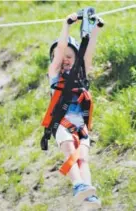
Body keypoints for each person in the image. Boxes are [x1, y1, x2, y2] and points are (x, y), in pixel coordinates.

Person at [48, 12, 102, 209]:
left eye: (70, 57)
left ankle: (88, 193)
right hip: (61, 121)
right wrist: (66, 25)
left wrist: (95, 29)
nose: (65, 60)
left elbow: (88, 53)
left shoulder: (81, 74)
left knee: (83, 159)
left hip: (80, 124)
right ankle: (78, 185)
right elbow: (61, 49)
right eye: (61, 57)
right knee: (70, 149)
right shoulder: (54, 74)